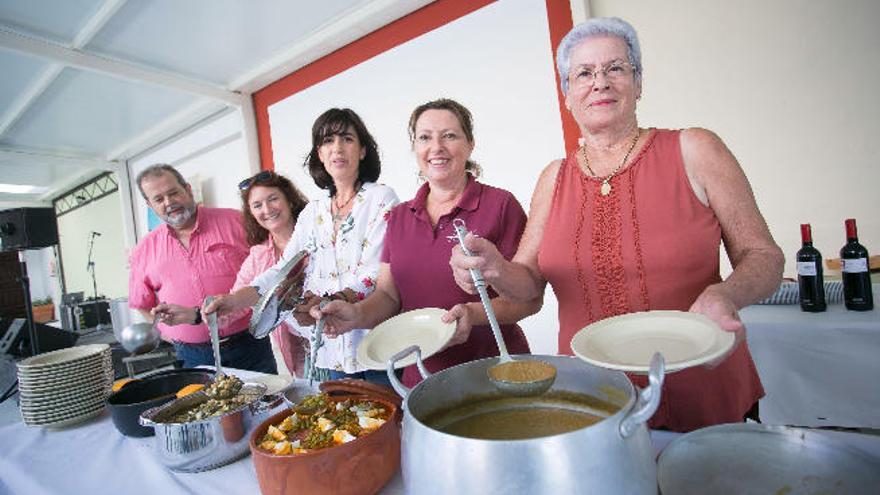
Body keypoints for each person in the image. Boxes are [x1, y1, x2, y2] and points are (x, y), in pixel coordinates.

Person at [449, 18, 784, 432]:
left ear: (638, 83)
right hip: (594, 404)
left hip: (704, 392)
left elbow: (764, 256)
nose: (600, 82)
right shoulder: (553, 178)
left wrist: (725, 293)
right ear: (568, 93)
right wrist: (495, 266)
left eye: (616, 68)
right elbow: (529, 287)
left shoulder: (695, 149)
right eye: (584, 73)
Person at [312, 98, 541, 388]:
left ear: (469, 144)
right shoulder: (398, 217)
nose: (436, 147)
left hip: (495, 372)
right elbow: (388, 296)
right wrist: (356, 315)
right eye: (425, 138)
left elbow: (530, 300)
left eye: (449, 136)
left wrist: (472, 314)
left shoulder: (499, 204)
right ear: (415, 148)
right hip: (420, 379)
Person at [205, 108, 399, 385]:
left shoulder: (380, 198)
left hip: (375, 338)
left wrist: (331, 301)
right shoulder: (313, 213)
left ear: (363, 150)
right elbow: (283, 272)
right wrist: (232, 301)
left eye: (347, 139)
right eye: (327, 141)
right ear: (319, 154)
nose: (337, 148)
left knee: (388, 422)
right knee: (345, 425)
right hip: (329, 347)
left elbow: (373, 272)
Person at [128, 164, 278, 374]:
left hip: (249, 345)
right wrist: (167, 333)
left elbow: (271, 267)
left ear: (188, 189)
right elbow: (141, 303)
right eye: (159, 199)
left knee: (269, 404)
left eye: (173, 193)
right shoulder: (144, 249)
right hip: (192, 357)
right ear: (150, 205)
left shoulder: (236, 221)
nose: (169, 203)